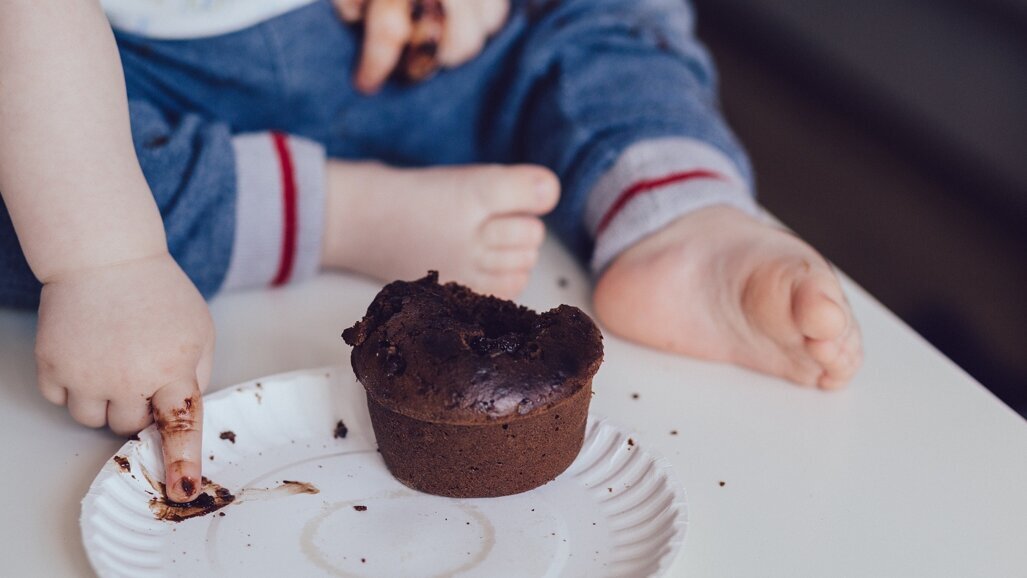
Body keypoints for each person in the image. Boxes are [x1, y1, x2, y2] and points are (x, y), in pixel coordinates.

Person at [0, 0, 862, 503]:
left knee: (602, 19)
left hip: (431, 56)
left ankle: (671, 208)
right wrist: (105, 260)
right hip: (116, 95)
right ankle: (340, 211)